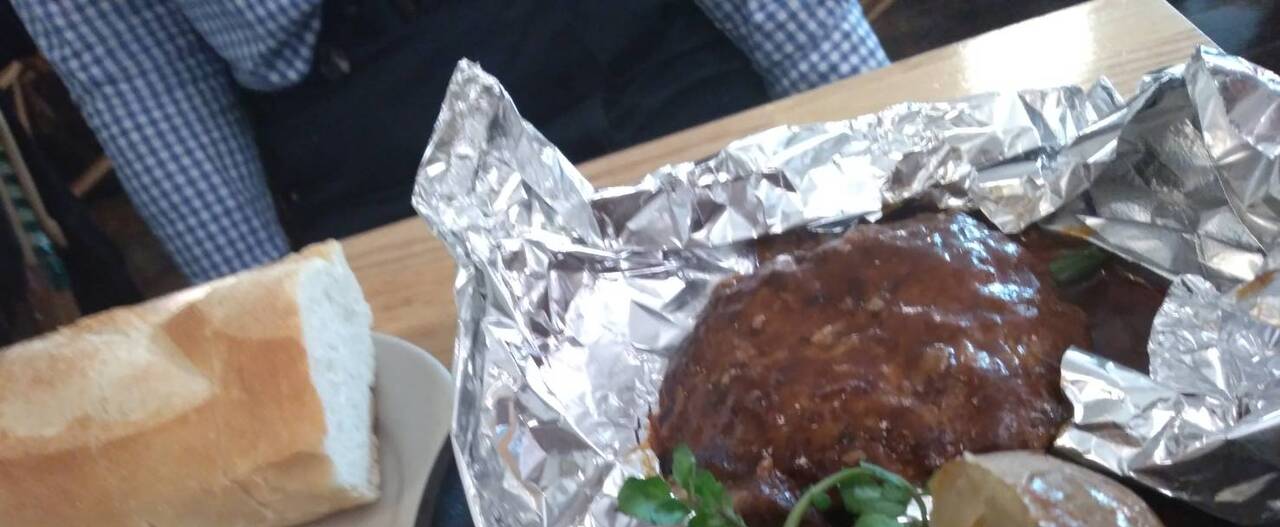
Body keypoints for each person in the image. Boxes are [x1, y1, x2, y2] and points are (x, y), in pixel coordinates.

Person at [13, 1, 888, 283]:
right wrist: (286, 322)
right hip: (366, 151)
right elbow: (140, 73)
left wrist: (873, 123)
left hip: (637, 53)